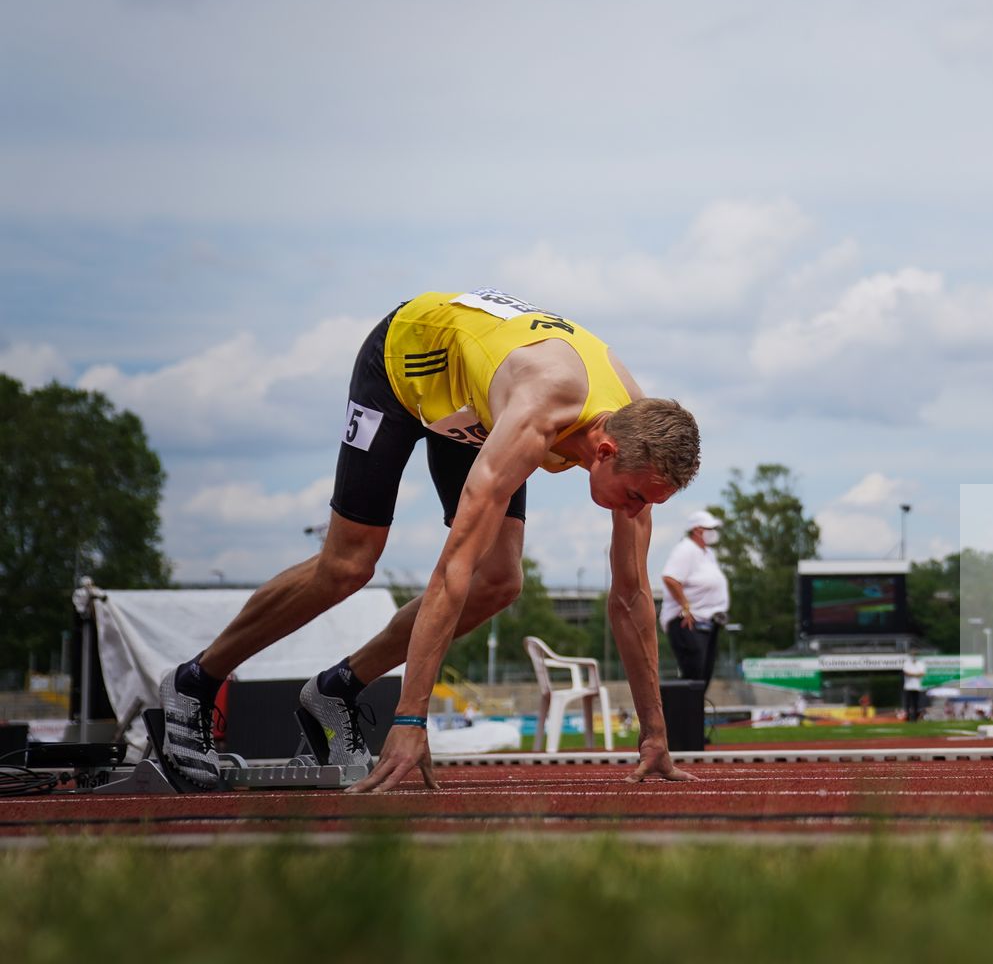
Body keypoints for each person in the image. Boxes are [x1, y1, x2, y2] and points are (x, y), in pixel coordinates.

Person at [154, 288, 702, 793]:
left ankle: (337, 688)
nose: (637, 512)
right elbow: (449, 571)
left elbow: (630, 598)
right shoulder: (538, 417)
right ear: (604, 451)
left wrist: (655, 735)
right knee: (349, 565)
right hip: (404, 367)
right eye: (634, 496)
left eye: (652, 503)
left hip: (478, 405)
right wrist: (410, 718)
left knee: (499, 582)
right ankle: (194, 682)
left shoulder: (639, 431)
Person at [659, 509, 730, 682]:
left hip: (707, 622)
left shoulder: (708, 553)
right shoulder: (686, 549)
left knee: (704, 674)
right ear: (697, 530)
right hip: (689, 622)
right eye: (710, 528)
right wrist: (685, 607)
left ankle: (695, 708)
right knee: (693, 673)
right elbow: (671, 578)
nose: (713, 533)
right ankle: (682, 709)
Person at [902, 654, 927, 722]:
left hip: (917, 687)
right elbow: (906, 673)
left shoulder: (921, 664)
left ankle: (915, 718)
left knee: (916, 703)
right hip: (908, 687)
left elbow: (922, 674)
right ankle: (907, 717)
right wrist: (916, 674)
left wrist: (912, 674)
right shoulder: (907, 663)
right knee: (908, 704)